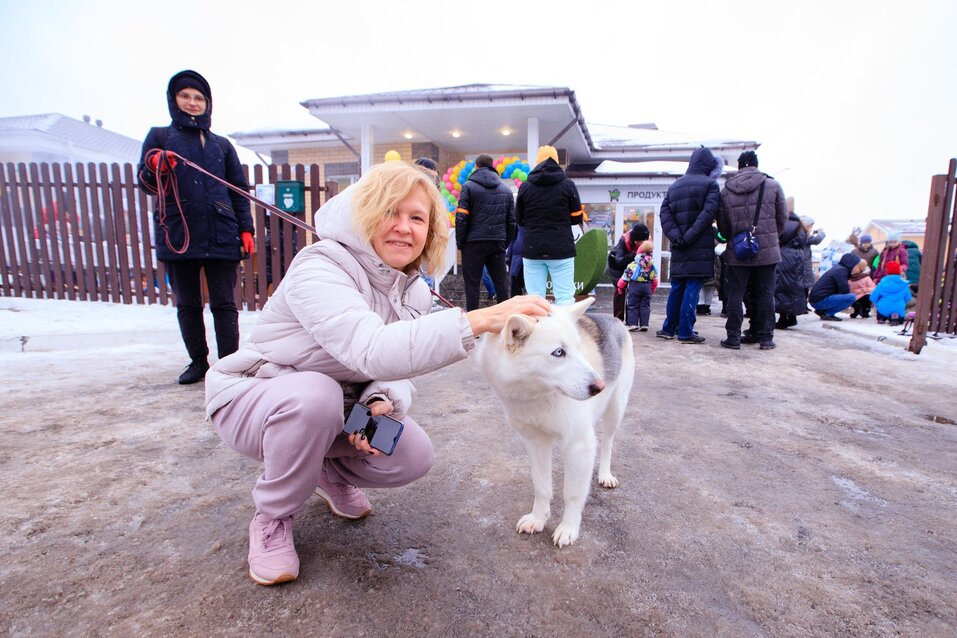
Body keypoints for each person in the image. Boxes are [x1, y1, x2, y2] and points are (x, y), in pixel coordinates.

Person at [204, 161, 550, 586]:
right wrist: (476, 320)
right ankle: (272, 516)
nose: (404, 227)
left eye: (417, 218)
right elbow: (369, 348)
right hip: (256, 397)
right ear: (365, 213)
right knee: (315, 396)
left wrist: (380, 401)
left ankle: (323, 472)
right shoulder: (320, 265)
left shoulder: (414, 290)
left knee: (410, 452)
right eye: (391, 212)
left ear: (431, 231)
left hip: (336, 406)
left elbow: (397, 369)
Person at [137, 70, 255, 385]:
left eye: (198, 97)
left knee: (225, 304)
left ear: (208, 103)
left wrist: (246, 229)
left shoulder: (222, 145)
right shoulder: (159, 137)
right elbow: (146, 184)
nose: (192, 103)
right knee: (188, 304)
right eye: (185, 96)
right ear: (174, 100)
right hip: (178, 233)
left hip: (221, 232)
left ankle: (229, 363)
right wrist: (155, 165)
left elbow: (238, 190)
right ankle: (198, 362)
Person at [716, 150, 788, 350]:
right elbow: (782, 218)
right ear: (756, 164)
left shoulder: (727, 190)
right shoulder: (772, 185)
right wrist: (770, 237)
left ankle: (733, 337)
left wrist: (735, 239)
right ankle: (765, 338)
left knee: (735, 294)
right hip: (767, 251)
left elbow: (722, 224)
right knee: (765, 294)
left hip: (737, 251)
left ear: (739, 166)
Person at [656, 146, 721, 344]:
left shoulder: (675, 186)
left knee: (677, 287)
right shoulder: (711, 185)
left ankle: (669, 328)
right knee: (692, 288)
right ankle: (685, 332)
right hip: (699, 247)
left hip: (679, 248)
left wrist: (677, 237)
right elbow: (707, 215)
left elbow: (664, 214)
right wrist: (690, 236)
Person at [516, 145, 585, 305]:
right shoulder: (568, 185)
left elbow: (519, 219)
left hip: (533, 249)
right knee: (565, 297)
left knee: (534, 299)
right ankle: (565, 330)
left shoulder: (525, 187)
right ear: (557, 161)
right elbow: (576, 218)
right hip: (561, 249)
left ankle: (537, 330)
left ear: (537, 162)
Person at [455, 154, 514, 311]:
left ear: (476, 167)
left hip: (473, 243)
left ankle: (473, 327)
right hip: (497, 243)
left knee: (472, 285)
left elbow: (461, 217)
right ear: (492, 166)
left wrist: (461, 242)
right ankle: (504, 323)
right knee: (501, 285)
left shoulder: (468, 187)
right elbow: (512, 222)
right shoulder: (506, 190)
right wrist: (504, 242)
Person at [606, 223, 650, 321]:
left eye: (644, 241)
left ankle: (631, 320)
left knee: (633, 291)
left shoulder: (647, 242)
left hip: (633, 265)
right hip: (617, 265)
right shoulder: (623, 241)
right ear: (634, 239)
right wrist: (634, 254)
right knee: (620, 289)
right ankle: (618, 319)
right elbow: (619, 261)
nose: (641, 244)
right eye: (639, 241)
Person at [773, 211, 809, 330]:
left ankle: (784, 318)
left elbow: (776, 239)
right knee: (793, 288)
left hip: (784, 258)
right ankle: (791, 316)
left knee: (782, 288)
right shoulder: (801, 226)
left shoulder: (784, 224)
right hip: (798, 259)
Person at [808, 253, 862, 321]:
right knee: (851, 297)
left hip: (816, 299)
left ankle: (822, 311)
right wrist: (854, 302)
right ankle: (827, 314)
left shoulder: (839, 269)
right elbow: (844, 290)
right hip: (819, 301)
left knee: (849, 297)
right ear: (851, 264)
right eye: (856, 265)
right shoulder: (841, 271)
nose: (857, 267)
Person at [618, 240, 658, 332]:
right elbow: (654, 280)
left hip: (635, 287)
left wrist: (620, 286)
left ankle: (633, 324)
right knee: (645, 306)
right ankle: (644, 324)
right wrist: (652, 289)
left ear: (638, 253)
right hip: (647, 286)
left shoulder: (633, 265)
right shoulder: (651, 266)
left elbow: (625, 277)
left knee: (632, 305)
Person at [800, 215, 826, 306]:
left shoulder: (803, 234)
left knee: (805, 285)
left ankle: (804, 305)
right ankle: (802, 305)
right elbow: (816, 240)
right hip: (803, 264)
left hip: (804, 263)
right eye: (810, 226)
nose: (811, 228)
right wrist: (821, 233)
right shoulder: (803, 235)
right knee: (804, 285)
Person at [506, 226, 525, 297]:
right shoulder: (517, 221)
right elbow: (513, 238)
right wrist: (508, 255)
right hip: (517, 256)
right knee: (515, 283)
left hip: (530, 256)